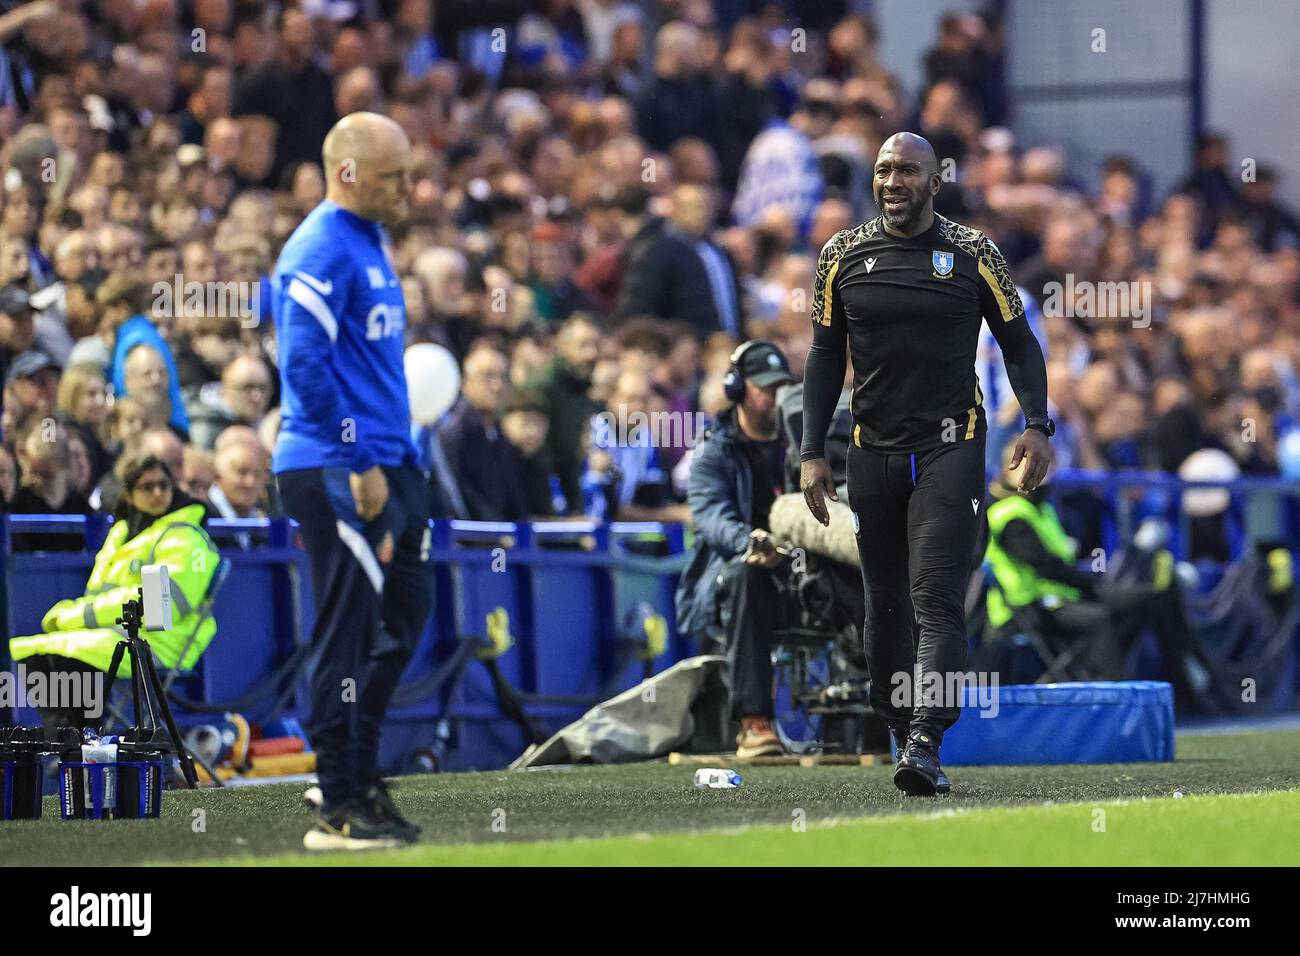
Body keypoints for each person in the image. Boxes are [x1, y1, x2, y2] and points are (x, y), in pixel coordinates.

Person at [800, 132, 1052, 796]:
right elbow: (825, 356)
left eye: (906, 170)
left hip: (951, 445)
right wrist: (809, 455)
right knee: (884, 606)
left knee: (935, 599)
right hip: (870, 450)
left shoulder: (976, 255)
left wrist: (1037, 424)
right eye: (883, 170)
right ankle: (897, 720)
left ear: (934, 181)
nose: (891, 181)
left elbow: (1020, 345)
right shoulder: (841, 256)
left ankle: (927, 737)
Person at [271, 111, 432, 851]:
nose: (408, 187)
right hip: (337, 464)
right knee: (346, 632)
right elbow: (301, 363)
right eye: (394, 175)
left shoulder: (370, 242)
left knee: (403, 620)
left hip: (389, 461)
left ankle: (358, 774)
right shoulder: (319, 247)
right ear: (348, 173)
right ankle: (337, 803)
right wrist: (359, 458)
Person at [677, 340, 860, 756]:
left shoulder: (803, 443)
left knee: (855, 564)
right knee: (748, 575)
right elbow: (710, 519)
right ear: (738, 389)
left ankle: (865, 710)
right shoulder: (712, 453)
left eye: (781, 386)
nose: (775, 395)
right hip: (740, 576)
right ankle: (753, 722)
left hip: (803, 573)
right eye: (764, 386)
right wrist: (751, 541)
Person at [9, 454, 220, 730]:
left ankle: (85, 742)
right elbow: (96, 593)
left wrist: (76, 617)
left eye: (163, 485)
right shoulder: (120, 534)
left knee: (73, 655)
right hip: (115, 632)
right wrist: (77, 616)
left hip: (161, 641)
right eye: (147, 487)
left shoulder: (185, 536)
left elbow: (159, 605)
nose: (157, 493)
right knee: (28, 653)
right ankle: (67, 740)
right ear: (129, 495)